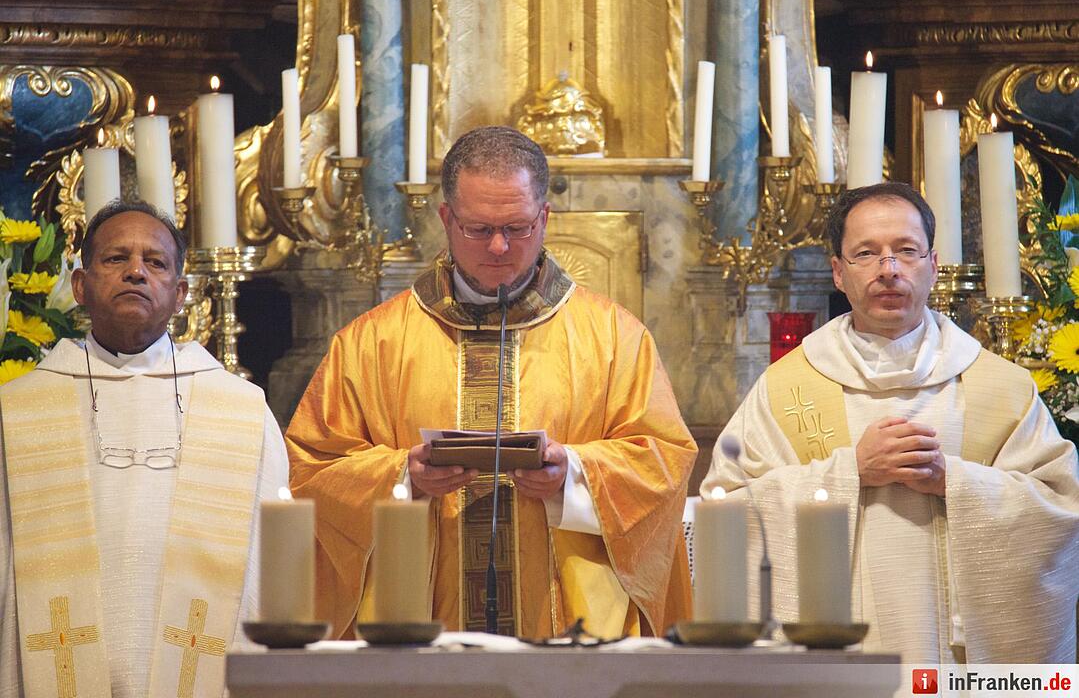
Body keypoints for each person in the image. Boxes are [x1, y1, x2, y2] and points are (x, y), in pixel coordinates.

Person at [287, 126, 696, 640]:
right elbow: (310, 468)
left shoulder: (615, 338)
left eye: (519, 227)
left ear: (545, 218)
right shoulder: (370, 344)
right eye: (478, 229)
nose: (499, 246)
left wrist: (572, 475)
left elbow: (666, 460)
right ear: (446, 219)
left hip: (569, 625)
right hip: (416, 622)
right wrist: (402, 478)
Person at [702, 182, 1078, 663]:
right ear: (838, 272)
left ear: (933, 264)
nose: (889, 270)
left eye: (906, 250)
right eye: (866, 253)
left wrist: (955, 481)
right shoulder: (786, 388)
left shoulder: (1001, 387)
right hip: (835, 662)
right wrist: (849, 472)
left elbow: (1062, 508)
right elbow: (727, 511)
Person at [0, 201, 288, 697]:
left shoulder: (240, 409)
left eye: (154, 262)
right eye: (115, 258)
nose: (135, 271)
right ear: (80, 286)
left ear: (180, 295)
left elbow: (267, 568)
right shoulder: (19, 410)